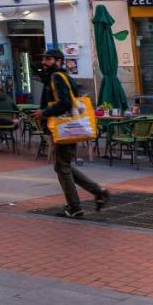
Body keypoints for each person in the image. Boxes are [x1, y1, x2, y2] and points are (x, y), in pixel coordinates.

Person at [38, 49, 108, 219]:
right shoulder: (59, 77)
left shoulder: (57, 77)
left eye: (48, 59)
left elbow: (65, 103)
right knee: (63, 166)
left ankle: (75, 206)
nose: (44, 62)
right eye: (44, 59)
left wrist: (45, 112)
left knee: (62, 167)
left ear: (58, 61)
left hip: (64, 128)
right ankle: (97, 192)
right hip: (67, 128)